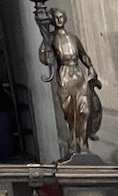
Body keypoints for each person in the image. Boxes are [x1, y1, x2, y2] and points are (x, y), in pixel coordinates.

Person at [39, 9, 101, 158]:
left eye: (61, 17)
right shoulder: (51, 38)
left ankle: (83, 144)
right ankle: (73, 144)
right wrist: (47, 58)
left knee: (84, 110)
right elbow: (43, 54)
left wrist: (90, 67)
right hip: (65, 75)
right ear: (52, 20)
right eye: (56, 17)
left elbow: (83, 55)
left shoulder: (73, 37)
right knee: (71, 113)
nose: (59, 20)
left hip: (78, 75)